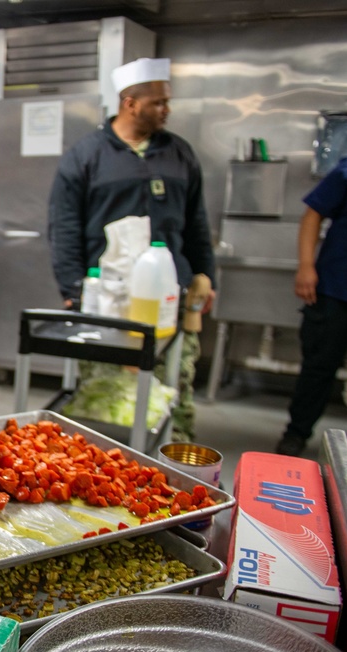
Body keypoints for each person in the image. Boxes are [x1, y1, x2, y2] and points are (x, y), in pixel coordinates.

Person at [47, 57, 217, 443]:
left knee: (173, 387)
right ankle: (101, 464)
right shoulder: (87, 156)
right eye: (159, 102)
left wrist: (206, 275)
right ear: (131, 103)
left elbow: (197, 221)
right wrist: (73, 290)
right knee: (104, 392)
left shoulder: (180, 154)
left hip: (170, 296)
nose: (166, 110)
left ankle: (174, 468)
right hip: (108, 298)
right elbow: (65, 226)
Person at [276, 151, 347, 463]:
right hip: (337, 288)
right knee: (319, 366)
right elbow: (313, 214)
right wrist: (305, 266)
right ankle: (296, 433)